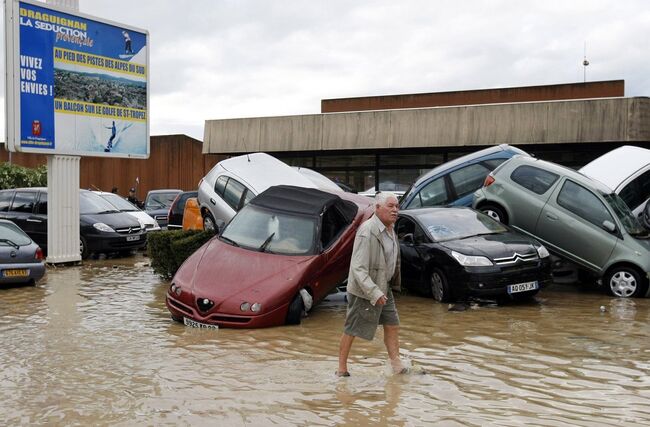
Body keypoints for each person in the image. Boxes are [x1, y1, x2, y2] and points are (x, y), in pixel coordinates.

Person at [337, 192, 405, 377]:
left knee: (392, 324)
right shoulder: (367, 231)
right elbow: (358, 268)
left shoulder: (390, 228)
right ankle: (341, 369)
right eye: (390, 206)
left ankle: (396, 365)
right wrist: (374, 292)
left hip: (385, 286)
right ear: (377, 208)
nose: (395, 210)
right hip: (365, 290)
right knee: (352, 328)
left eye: (397, 206)